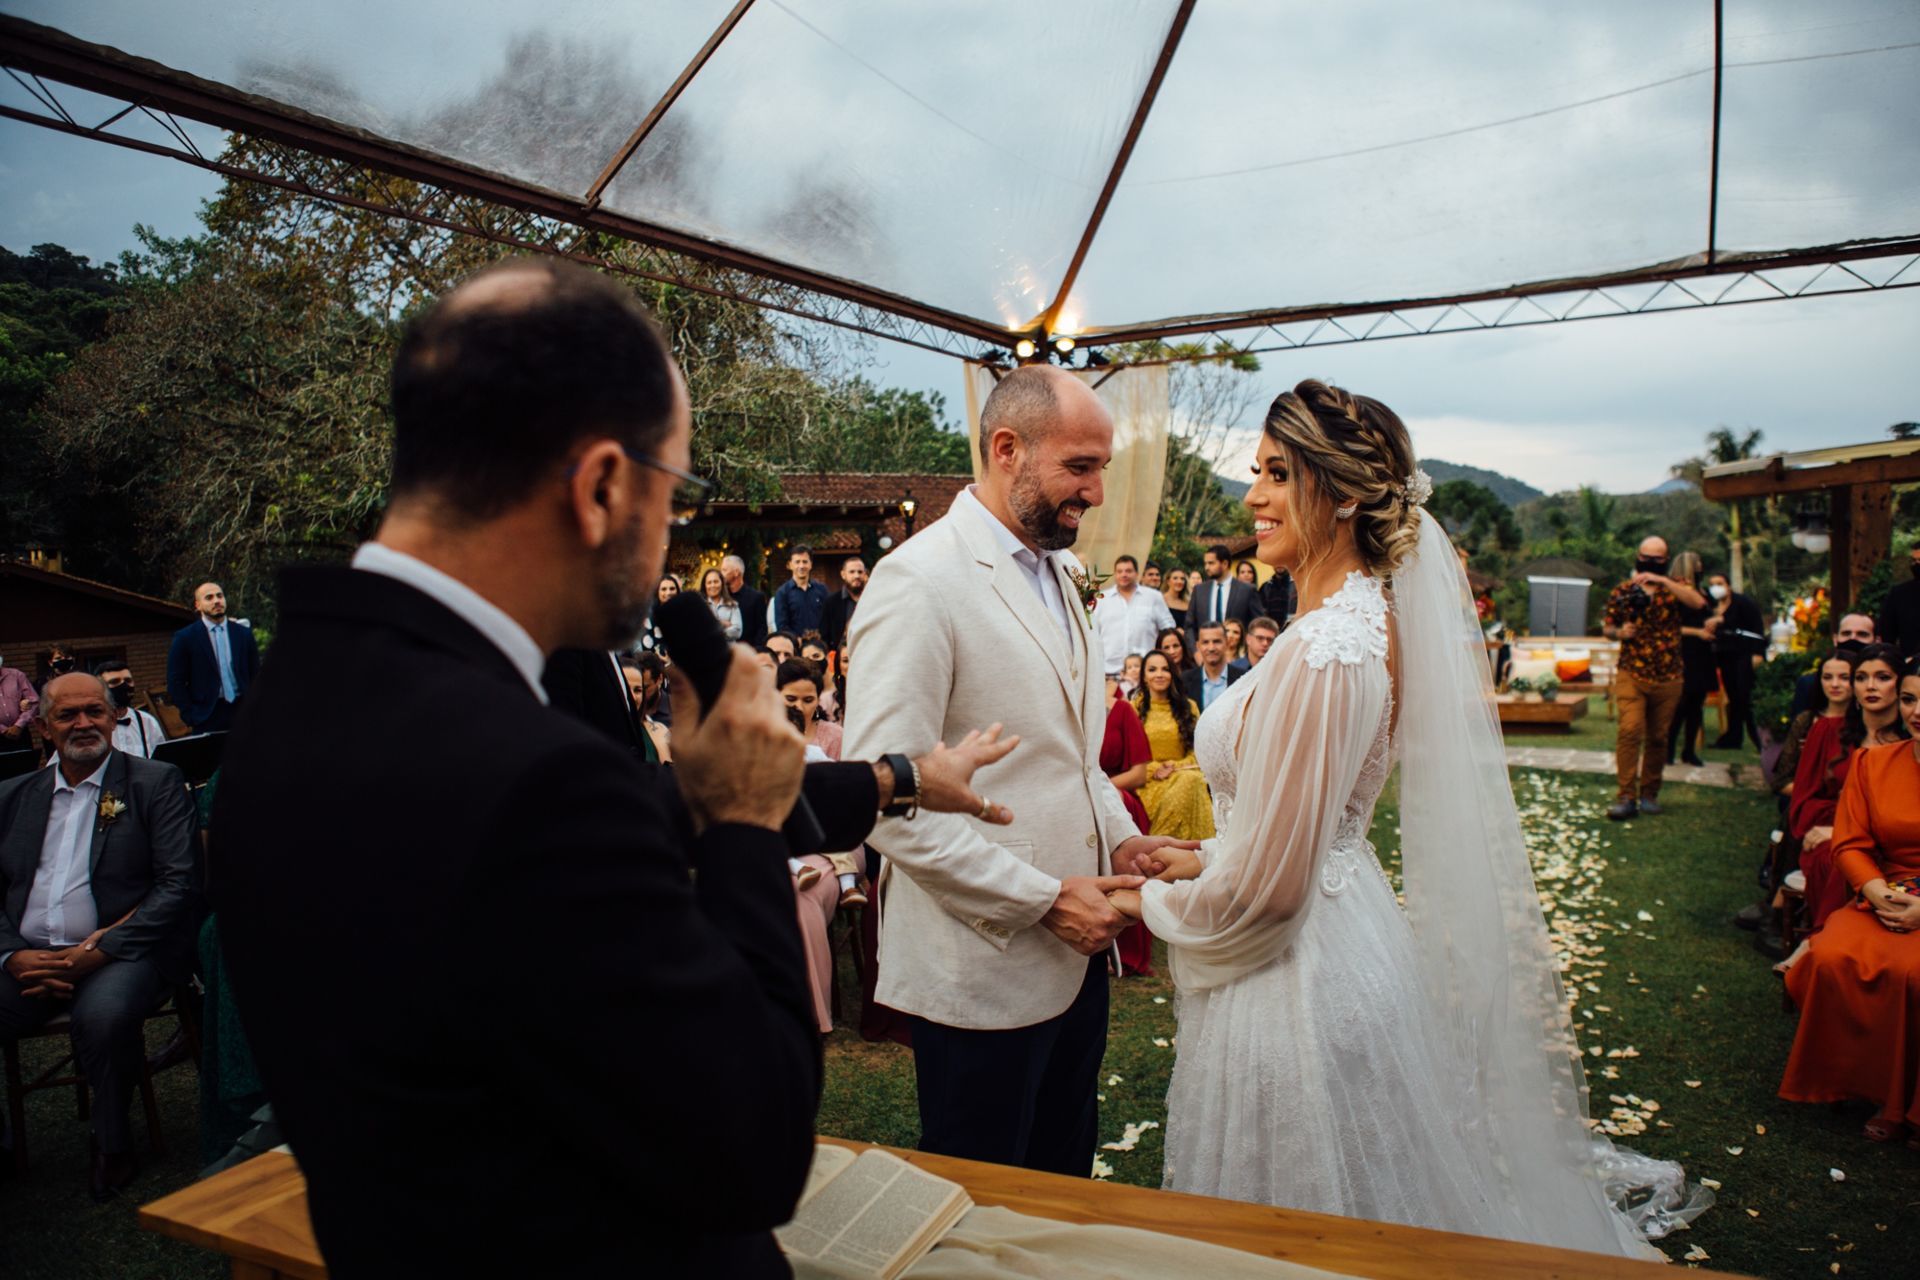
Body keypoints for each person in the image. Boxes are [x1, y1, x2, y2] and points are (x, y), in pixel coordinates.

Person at [208, 258, 1019, 1276]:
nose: (673, 533)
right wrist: (740, 827)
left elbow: (583, 849)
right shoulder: (528, 774)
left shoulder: (302, 699)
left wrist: (892, 776)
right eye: (674, 492)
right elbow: (753, 1146)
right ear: (600, 486)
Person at [1111, 379, 1703, 1256]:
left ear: (1342, 492)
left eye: (1278, 473)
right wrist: (1199, 853)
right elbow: (1303, 826)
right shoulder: (1344, 623)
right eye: (1256, 470)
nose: (1253, 497)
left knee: (1307, 1230)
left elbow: (1273, 894)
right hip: (1340, 935)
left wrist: (1134, 907)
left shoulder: (1327, 650)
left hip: (1301, 984)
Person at [842, 363, 1195, 1178]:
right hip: (983, 962)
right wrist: (1040, 901)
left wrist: (1120, 840)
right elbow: (883, 800)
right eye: (1081, 466)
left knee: (1062, 1180)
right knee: (981, 1198)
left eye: (1102, 466)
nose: (1099, 492)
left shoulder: (1061, 573)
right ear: (1007, 449)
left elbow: (1067, 751)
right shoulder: (919, 581)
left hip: (1076, 960)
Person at [0, 672, 198, 1199]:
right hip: (31, 958)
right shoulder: (12, 795)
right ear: (43, 727)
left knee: (104, 1016)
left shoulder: (153, 783)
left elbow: (179, 885)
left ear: (113, 719)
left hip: (125, 954)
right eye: (67, 715)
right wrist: (11, 954)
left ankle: (112, 1144)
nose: (83, 724)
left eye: (95, 712)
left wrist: (101, 949)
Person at [1779, 657, 1920, 1144]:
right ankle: (1847, 1080)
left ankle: (1902, 1104)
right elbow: (1852, 842)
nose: (1917, 711)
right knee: (1834, 955)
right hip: (1885, 889)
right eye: (1911, 699)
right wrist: (1876, 891)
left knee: (1911, 973)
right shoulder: (1874, 761)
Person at [1789, 645, 1908, 937]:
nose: (1870, 686)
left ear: (1900, 684)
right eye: (1861, 677)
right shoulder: (1826, 731)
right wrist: (1839, 830)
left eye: (1882, 677)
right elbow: (1803, 801)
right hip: (1826, 836)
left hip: (1893, 843)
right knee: (1840, 859)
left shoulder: (1910, 741)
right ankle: (1825, 937)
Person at [1601, 537, 1706, 820]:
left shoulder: (1676, 588)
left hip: (1668, 673)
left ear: (1665, 560)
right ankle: (1626, 796)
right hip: (1632, 671)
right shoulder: (1623, 591)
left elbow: (1697, 602)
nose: (1649, 562)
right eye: (1645, 557)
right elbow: (1607, 628)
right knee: (1630, 730)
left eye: (1657, 559)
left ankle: (1649, 793)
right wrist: (1619, 633)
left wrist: (1664, 580)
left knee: (1659, 737)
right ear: (1637, 556)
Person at [1100, 678, 1155, 976]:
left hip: (1119, 798)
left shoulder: (1123, 711)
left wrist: (1100, 790)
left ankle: (1128, 949)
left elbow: (1138, 774)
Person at [1133, 652, 1216, 844]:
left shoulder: (1189, 707)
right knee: (1190, 782)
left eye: (1165, 669)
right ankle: (1160, 847)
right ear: (1144, 677)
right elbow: (1130, 755)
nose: (1159, 674)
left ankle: (1189, 850)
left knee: (1191, 780)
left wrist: (1174, 766)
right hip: (1148, 780)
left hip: (1182, 771)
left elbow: (1198, 752)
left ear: (1173, 674)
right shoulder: (1133, 708)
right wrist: (1156, 769)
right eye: (1152, 670)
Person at [166, 583, 259, 734]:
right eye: (209, 598)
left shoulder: (243, 634)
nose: (216, 601)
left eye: (220, 596)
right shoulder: (186, 638)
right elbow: (175, 681)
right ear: (198, 605)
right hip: (207, 714)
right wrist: (190, 715)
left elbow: (256, 672)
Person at [1774, 653, 1857, 801]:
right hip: (1809, 807)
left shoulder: (1865, 724)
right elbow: (1781, 781)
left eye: (1844, 677)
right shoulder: (1807, 721)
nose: (1834, 684)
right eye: (1827, 677)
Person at [1704, 571, 1766, 749]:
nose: (1716, 587)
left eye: (1720, 583)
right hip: (1725, 656)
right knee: (1733, 696)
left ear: (1728, 586)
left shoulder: (1742, 603)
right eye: (1712, 583)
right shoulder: (1713, 606)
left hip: (1744, 654)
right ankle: (1733, 737)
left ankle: (1757, 738)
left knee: (1745, 696)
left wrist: (1757, 653)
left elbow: (1756, 627)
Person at [1664, 552, 1714, 767]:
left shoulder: (1703, 592)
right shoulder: (1677, 594)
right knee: (1681, 704)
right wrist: (1697, 632)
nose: (1701, 566)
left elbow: (1710, 612)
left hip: (1703, 654)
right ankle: (1669, 749)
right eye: (1697, 563)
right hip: (1685, 651)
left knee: (1697, 705)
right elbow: (1671, 627)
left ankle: (1689, 750)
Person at [1091, 553, 1176, 678]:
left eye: (1128, 571)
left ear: (1137, 573)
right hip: (1109, 672)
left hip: (1145, 672)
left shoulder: (1153, 597)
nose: (1124, 575)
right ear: (1115, 574)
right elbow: (1092, 633)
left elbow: (1168, 629)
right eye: (1119, 571)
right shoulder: (1101, 599)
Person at [1792, 613, 1875, 716]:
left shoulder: (1881, 684)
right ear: (1835, 639)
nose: (1852, 638)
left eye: (1862, 634)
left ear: (1876, 640)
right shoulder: (1809, 684)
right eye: (1846, 633)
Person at [1186, 543, 1260, 645]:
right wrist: (1195, 652)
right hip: (1204, 655)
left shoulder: (1247, 590)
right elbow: (1189, 625)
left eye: (1211, 563)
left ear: (1225, 564)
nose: (1206, 567)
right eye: (1205, 563)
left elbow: (1257, 624)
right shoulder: (1199, 590)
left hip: (1236, 655)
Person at [97, 661, 164, 759]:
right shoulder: (94, 724)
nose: (124, 685)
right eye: (115, 682)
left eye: (128, 681)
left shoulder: (147, 721)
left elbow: (160, 761)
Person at [1181, 621, 1246, 710]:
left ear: (1226, 643)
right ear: (1198, 646)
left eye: (1216, 641)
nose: (1211, 648)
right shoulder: (1184, 680)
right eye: (1205, 642)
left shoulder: (1243, 679)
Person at [621, 657, 673, 763]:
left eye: (638, 690)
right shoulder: (596, 735)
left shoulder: (658, 731)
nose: (633, 697)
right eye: (625, 688)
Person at [1875, 543, 1920, 662]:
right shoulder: (1899, 594)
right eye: (1914, 561)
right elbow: (1887, 632)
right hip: (1911, 663)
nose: (1916, 564)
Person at [773, 544, 829, 637]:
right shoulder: (782, 593)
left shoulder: (822, 590)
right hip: (796, 646)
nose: (801, 566)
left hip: (820, 645)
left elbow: (829, 618)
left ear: (811, 564)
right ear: (790, 565)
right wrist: (796, 640)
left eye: (805, 562)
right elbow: (782, 626)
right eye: (797, 562)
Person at [820, 555, 867, 654]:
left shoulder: (873, 600)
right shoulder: (831, 602)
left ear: (865, 574)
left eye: (860, 572)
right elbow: (824, 635)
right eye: (852, 572)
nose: (856, 576)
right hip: (840, 659)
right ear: (843, 574)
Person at [721, 553, 770, 647]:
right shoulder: (721, 597)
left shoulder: (756, 597)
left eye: (724, 570)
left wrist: (756, 652)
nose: (721, 574)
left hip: (748, 652)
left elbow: (762, 629)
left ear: (736, 572)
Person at [0, 651, 35, 752]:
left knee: (27, 766)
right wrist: (3, 730)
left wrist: (19, 725)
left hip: (21, 734)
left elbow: (33, 701)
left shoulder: (16, 675)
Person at [636, 573, 678, 658]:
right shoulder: (650, 617)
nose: (668, 592)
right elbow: (647, 648)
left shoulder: (685, 614)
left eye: (672, 588)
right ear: (657, 592)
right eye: (663, 589)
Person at [699, 567, 742, 641]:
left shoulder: (732, 605)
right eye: (709, 582)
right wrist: (721, 624)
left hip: (728, 651)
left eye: (716, 582)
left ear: (722, 583)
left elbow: (737, 632)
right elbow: (698, 630)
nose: (712, 585)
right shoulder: (699, 606)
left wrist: (712, 632)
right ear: (705, 586)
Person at [1162, 567, 1192, 634]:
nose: (1179, 582)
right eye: (1175, 578)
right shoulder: (1161, 600)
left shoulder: (1188, 602)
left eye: (1182, 579)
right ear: (1168, 581)